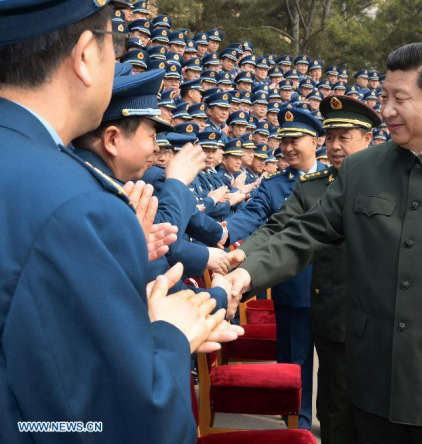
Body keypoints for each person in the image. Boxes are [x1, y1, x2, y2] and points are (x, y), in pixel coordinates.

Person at [223, 42, 422, 443]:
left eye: (399, 99)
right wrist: (244, 274)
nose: (387, 110)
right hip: (373, 380)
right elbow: (305, 233)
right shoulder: (361, 170)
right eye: (384, 96)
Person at [0, 2, 241, 443]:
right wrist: (167, 334)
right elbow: (111, 424)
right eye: (117, 46)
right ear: (86, 55)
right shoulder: (76, 201)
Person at [228, 96, 381, 444]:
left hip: (378, 318)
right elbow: (278, 228)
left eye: (345, 137)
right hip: (332, 314)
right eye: (331, 137)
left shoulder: (387, 182)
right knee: (334, 409)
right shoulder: (313, 185)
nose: (336, 146)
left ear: (368, 138)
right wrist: (239, 260)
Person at [225, 108, 328, 430]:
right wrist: (222, 232)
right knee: (293, 365)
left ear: (315, 141)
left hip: (337, 292)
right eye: (283, 141)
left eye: (295, 140)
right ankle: (297, 426)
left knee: (339, 366)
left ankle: (334, 422)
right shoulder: (272, 186)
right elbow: (255, 220)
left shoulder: (340, 177)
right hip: (294, 288)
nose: (287, 148)